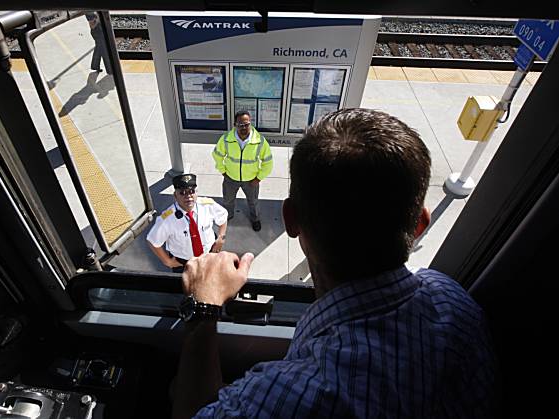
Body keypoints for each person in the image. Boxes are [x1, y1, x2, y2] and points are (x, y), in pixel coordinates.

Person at [173, 109, 497, 418]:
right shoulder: (455, 300)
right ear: (419, 226)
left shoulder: (294, 394)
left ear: (291, 220)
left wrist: (203, 311)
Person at [146, 174, 227, 274]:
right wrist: (167, 261)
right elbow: (153, 241)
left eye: (191, 191)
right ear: (175, 195)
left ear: (196, 193)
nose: (188, 196)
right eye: (182, 193)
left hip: (209, 256)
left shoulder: (208, 206)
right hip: (183, 263)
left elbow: (223, 217)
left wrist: (221, 238)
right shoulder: (167, 219)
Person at [212, 111, 273, 231]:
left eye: (247, 124)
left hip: (251, 181)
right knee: (228, 200)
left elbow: (268, 162)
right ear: (235, 125)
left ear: (250, 123)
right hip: (230, 178)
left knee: (253, 202)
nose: (244, 127)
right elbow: (217, 155)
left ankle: (255, 219)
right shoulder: (225, 139)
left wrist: (258, 178)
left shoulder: (260, 141)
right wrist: (223, 171)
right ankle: (228, 216)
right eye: (240, 125)